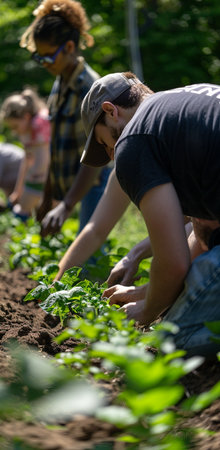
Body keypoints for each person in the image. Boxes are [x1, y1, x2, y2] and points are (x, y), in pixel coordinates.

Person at [80, 71, 220, 357]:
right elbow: (201, 231)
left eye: (105, 144)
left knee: (172, 342)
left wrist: (147, 311)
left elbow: (173, 263)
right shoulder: (187, 103)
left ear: (111, 111)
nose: (112, 155)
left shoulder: (134, 140)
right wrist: (146, 291)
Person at [20, 0, 110, 235]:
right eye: (38, 58)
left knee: (88, 255)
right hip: (75, 184)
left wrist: (67, 205)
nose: (43, 64)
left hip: (96, 182)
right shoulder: (60, 81)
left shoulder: (90, 89)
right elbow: (55, 144)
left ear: (69, 47)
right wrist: (48, 197)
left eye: (48, 57)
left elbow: (97, 158)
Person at [54, 167, 153, 284]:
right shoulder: (123, 169)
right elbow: (95, 230)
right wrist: (57, 280)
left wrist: (134, 256)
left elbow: (176, 233)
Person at [0, 88, 51, 220]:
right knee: (30, 212)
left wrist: (29, 186)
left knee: (23, 212)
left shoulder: (39, 123)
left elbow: (42, 160)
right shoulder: (27, 129)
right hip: (40, 175)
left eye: (15, 126)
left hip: (49, 176)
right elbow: (26, 159)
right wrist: (18, 190)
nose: (15, 132)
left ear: (26, 117)